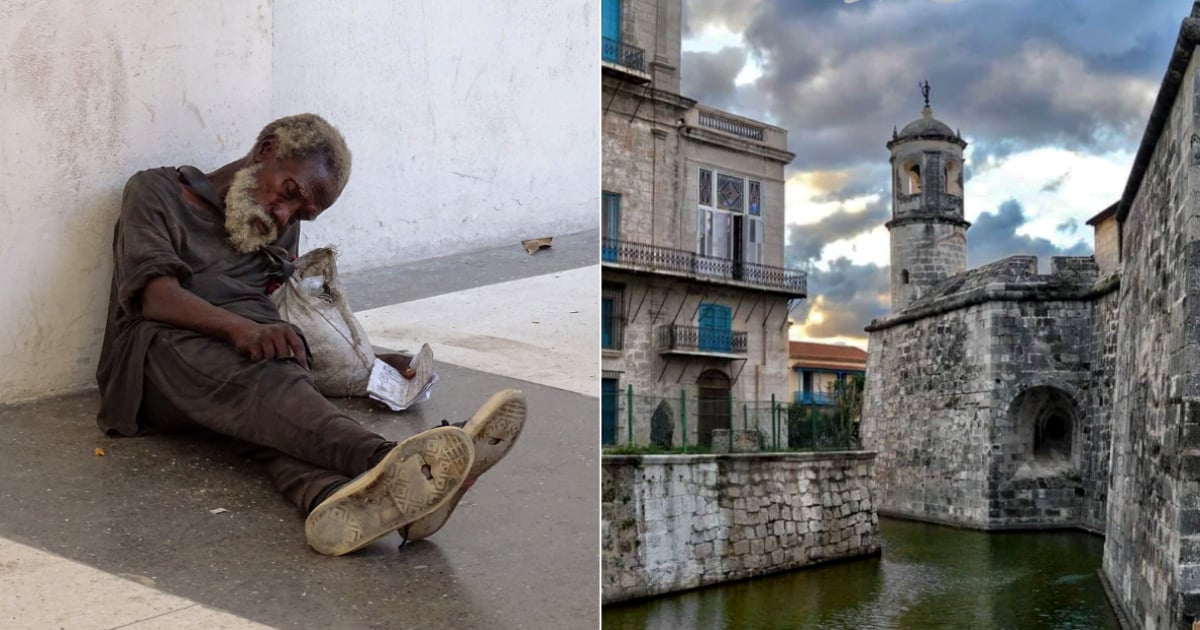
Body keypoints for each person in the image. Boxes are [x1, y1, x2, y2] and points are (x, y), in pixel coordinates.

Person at [95, 113, 525, 556]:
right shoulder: (156, 192)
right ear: (266, 151)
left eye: (302, 212)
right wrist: (241, 330)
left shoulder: (283, 229)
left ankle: (341, 500)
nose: (283, 214)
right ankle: (389, 459)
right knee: (261, 381)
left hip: (236, 372)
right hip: (153, 360)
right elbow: (156, 298)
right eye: (289, 192)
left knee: (271, 422)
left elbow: (284, 312)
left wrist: (369, 360)